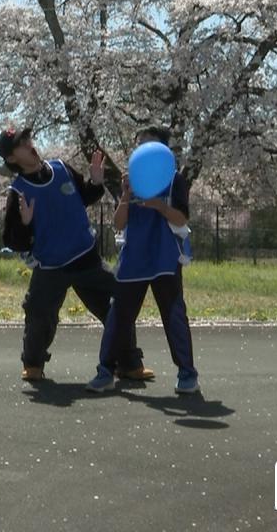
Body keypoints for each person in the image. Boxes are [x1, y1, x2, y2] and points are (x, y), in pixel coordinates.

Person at [0, 126, 152, 383]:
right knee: (39, 313)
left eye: (28, 138)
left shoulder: (61, 167)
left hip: (86, 257)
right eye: (21, 144)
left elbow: (85, 195)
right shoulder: (19, 190)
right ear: (12, 158)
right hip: (50, 266)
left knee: (118, 302)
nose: (29, 144)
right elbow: (12, 240)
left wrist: (96, 181)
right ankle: (33, 364)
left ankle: (128, 363)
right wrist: (25, 223)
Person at [89, 126, 199, 395]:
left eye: (148, 144)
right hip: (133, 259)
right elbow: (118, 223)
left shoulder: (174, 180)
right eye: (138, 145)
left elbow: (182, 219)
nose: (142, 150)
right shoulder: (132, 180)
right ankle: (105, 371)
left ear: (162, 151)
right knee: (119, 315)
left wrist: (159, 205)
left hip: (164, 257)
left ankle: (187, 373)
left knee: (173, 314)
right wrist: (126, 197)